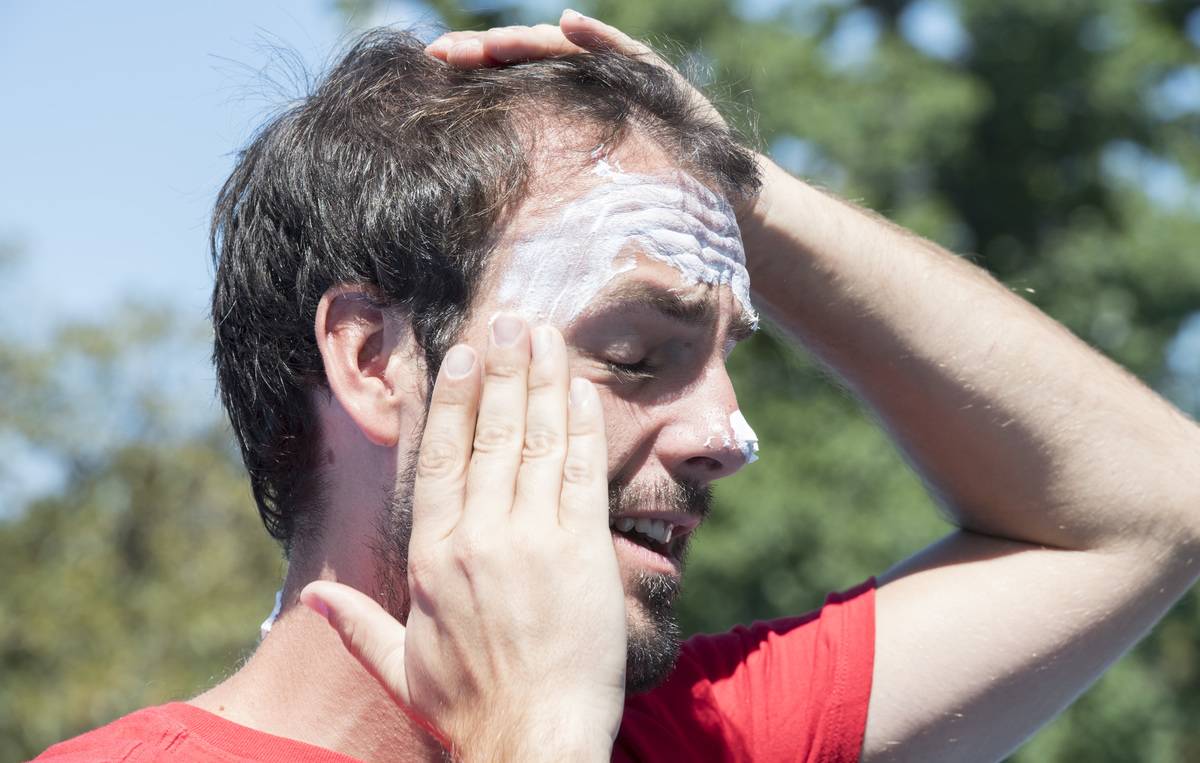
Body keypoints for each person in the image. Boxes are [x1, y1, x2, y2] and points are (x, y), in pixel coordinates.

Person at [36, 11, 1200, 763]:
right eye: (635, 356)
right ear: (376, 359)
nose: (727, 436)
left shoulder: (693, 733)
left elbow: (1148, 505)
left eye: (723, 361)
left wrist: (742, 195)